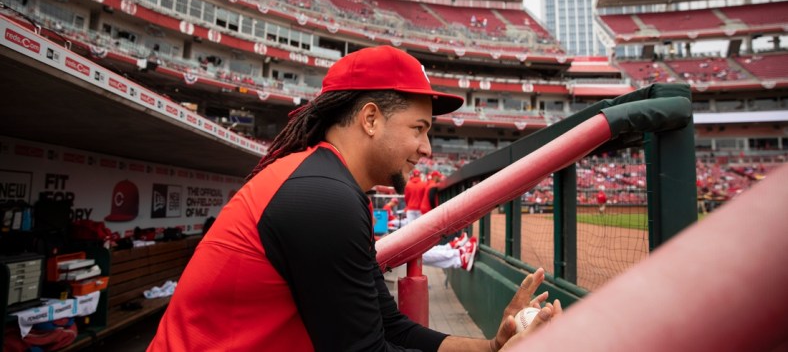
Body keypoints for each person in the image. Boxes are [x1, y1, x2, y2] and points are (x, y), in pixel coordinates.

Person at [148, 45, 560, 351]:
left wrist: (491, 347)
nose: (427, 148)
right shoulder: (323, 197)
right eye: (419, 128)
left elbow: (390, 327)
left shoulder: (327, 184)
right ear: (370, 119)